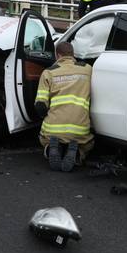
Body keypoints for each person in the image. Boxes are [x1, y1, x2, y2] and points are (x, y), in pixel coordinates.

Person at [33, 41, 94, 172]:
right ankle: (78, 153)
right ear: (73, 54)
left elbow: (40, 106)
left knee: (44, 138)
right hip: (79, 129)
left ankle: (51, 148)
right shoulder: (87, 69)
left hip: (53, 129)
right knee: (88, 143)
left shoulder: (48, 72)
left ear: (58, 55)